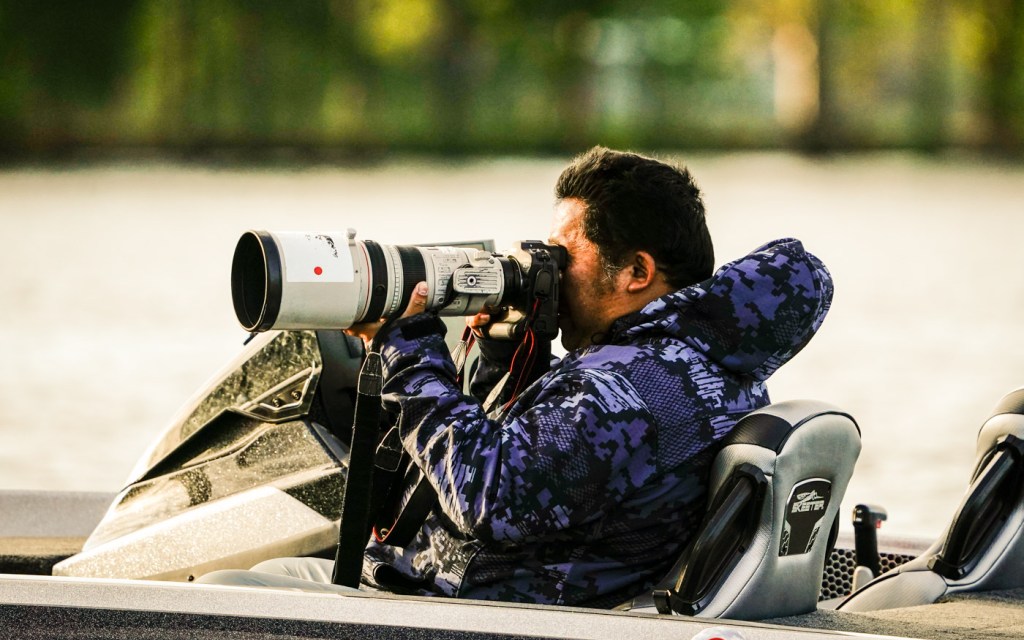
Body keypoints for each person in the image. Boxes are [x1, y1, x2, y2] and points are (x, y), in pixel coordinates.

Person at [199, 146, 833, 608]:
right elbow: (554, 451)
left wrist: (406, 350)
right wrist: (504, 354)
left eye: (564, 253)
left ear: (636, 273)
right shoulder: (695, 363)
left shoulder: (630, 390)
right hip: (477, 585)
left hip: (479, 622)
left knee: (218, 598)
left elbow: (487, 497)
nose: (543, 267)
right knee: (265, 577)